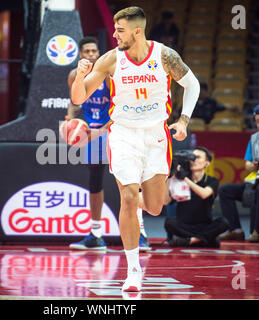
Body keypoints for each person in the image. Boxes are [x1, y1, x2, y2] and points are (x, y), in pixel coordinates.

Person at [70, 7, 200, 292]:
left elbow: (192, 85)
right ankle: (132, 270)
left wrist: (184, 120)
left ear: (137, 31)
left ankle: (139, 201)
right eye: (115, 29)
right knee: (127, 198)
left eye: (120, 30)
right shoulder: (110, 59)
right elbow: (79, 96)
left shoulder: (164, 56)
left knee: (155, 206)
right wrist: (81, 75)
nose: (114, 35)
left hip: (156, 136)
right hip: (123, 134)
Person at [66, 37, 150, 251]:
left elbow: (125, 107)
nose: (91, 54)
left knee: (128, 181)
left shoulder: (113, 73)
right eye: (87, 51)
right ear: (81, 55)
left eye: (94, 51)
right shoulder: (75, 75)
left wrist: (101, 130)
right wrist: (72, 122)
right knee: (94, 180)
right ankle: (95, 234)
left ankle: (140, 233)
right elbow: (74, 103)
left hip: (115, 129)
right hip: (92, 133)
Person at [219, 104, 259, 242]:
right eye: (258, 122)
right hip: (255, 181)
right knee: (225, 190)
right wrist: (253, 165)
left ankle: (257, 231)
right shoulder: (254, 139)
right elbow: (247, 164)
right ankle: (236, 230)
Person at [164, 147, 229, 247]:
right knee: (169, 222)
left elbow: (204, 194)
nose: (194, 160)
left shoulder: (212, 180)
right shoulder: (179, 180)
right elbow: (166, 202)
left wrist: (185, 178)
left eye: (198, 157)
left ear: (207, 163)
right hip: (184, 226)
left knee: (223, 223)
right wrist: (169, 177)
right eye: (192, 157)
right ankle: (204, 239)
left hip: (204, 225)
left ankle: (190, 241)